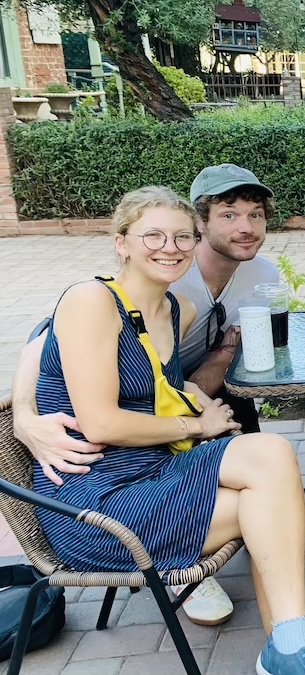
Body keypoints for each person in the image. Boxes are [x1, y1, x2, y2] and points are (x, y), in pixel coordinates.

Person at [28, 187, 305, 674]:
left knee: (272, 454)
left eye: (181, 237)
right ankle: (287, 651)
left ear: (194, 243)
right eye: (153, 235)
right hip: (94, 503)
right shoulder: (92, 300)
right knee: (273, 504)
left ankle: (290, 645)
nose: (169, 247)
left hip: (157, 470)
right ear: (122, 242)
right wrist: (198, 421)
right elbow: (100, 422)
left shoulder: (176, 310)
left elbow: (162, 382)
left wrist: (192, 392)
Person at [11, 163, 281, 627]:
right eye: (229, 214)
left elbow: (210, 360)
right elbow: (43, 341)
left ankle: (285, 629)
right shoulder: (164, 272)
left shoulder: (237, 282)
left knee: (263, 451)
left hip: (173, 396)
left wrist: (198, 388)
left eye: (255, 215)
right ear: (203, 224)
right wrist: (22, 414)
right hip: (118, 445)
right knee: (266, 488)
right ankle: (186, 559)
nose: (244, 226)